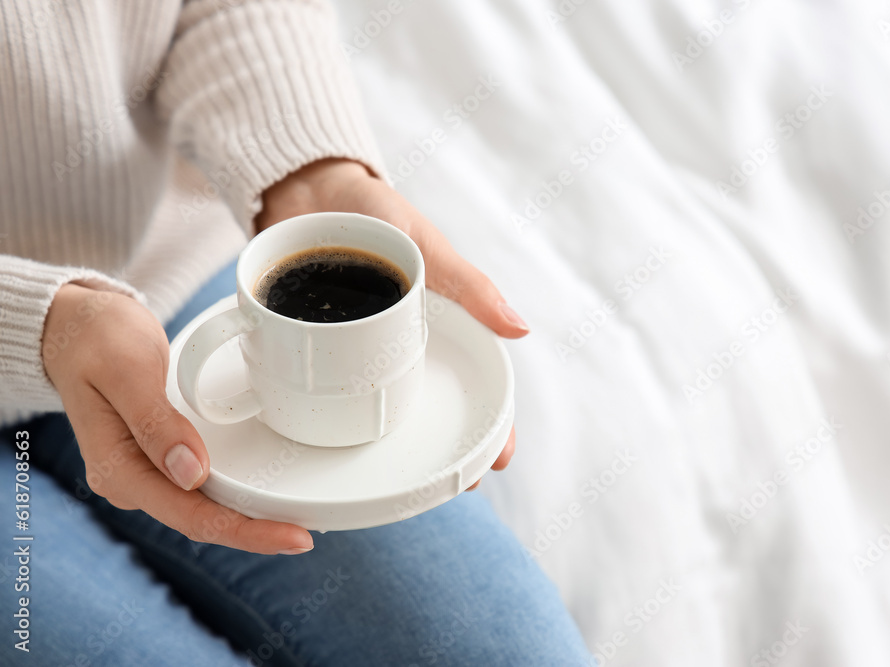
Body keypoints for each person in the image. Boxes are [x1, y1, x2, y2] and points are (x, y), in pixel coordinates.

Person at [0, 1, 592, 664]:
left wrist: (307, 179)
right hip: (62, 330)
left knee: (512, 652)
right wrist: (35, 325)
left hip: (167, 273)